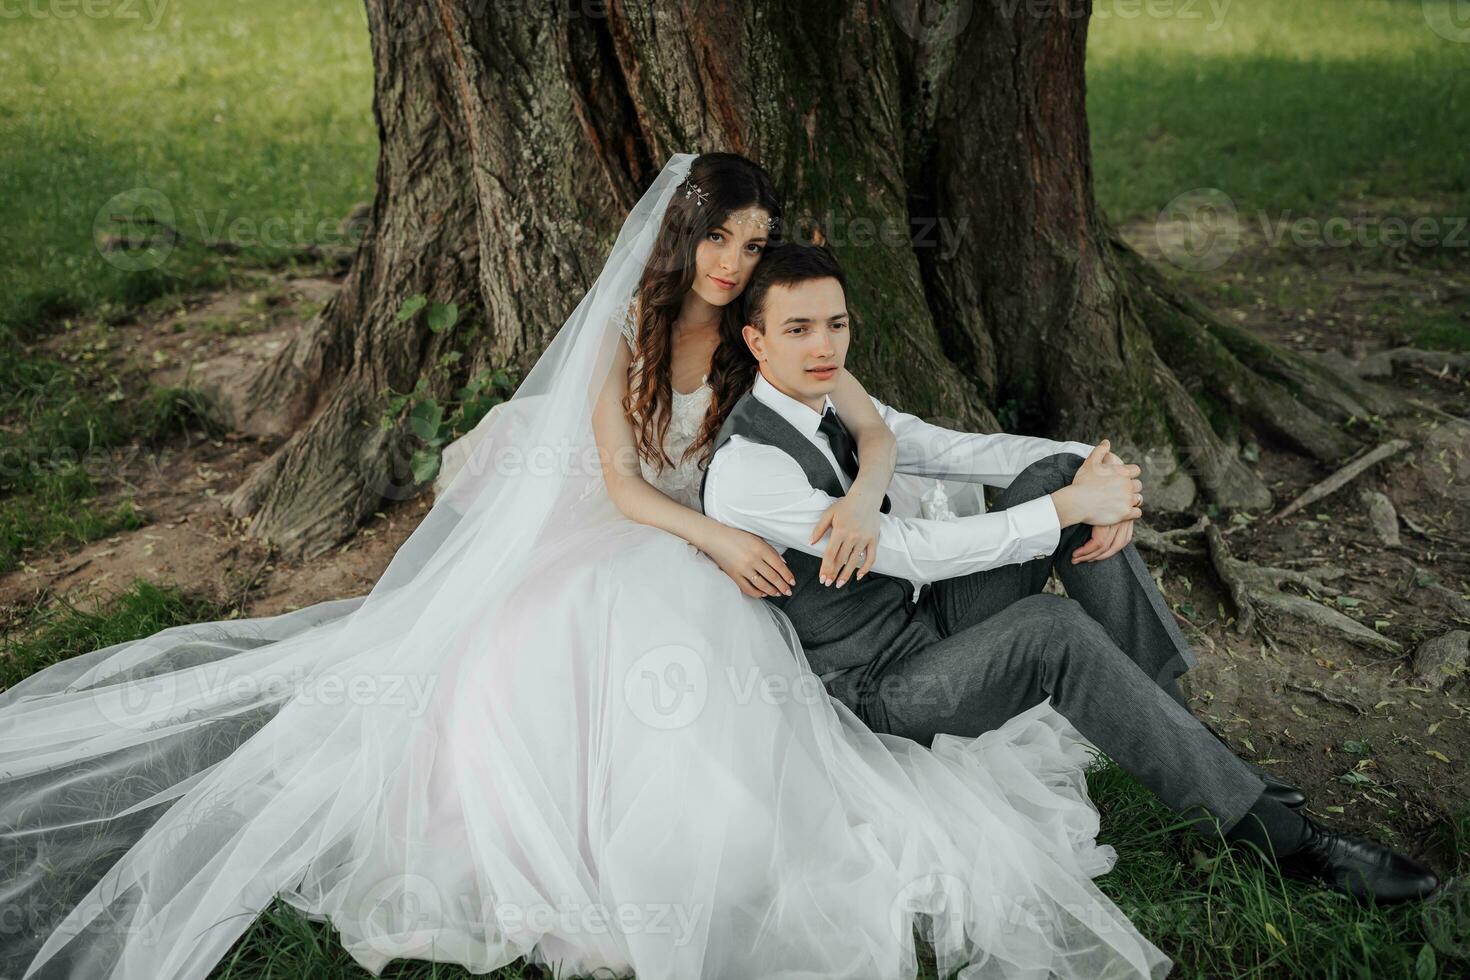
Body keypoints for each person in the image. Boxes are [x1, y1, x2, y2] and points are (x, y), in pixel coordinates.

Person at [0, 153, 1176, 980]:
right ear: (680, 235)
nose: (731, 259)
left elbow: (878, 429)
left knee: (789, 627)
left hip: (757, 520)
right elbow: (623, 486)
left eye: (752, 243)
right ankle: (638, 863)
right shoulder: (631, 333)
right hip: (644, 527)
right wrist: (711, 534)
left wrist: (866, 486)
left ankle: (1146, 696)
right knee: (641, 634)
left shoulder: (776, 325)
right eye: (716, 236)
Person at [700, 241, 1443, 908]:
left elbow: (957, 450)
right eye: (799, 329)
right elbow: (910, 550)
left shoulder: (829, 402)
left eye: (837, 324)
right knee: (1050, 626)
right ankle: (1283, 838)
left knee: (1052, 470)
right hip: (876, 692)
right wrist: (1065, 509)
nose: (825, 345)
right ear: (756, 338)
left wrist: (1094, 472)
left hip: (924, 626)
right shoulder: (751, 467)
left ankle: (1185, 740)